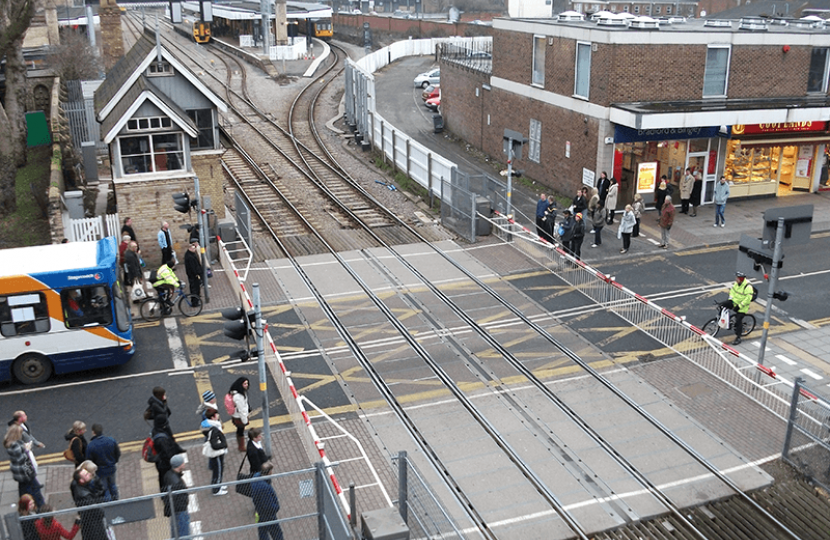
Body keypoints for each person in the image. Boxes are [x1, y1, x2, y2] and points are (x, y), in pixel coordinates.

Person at [5, 425, 45, 507]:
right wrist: (27, 450)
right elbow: (23, 460)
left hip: (20, 475)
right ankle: (42, 510)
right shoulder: (17, 447)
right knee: (36, 492)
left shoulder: (12, 445)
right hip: (26, 474)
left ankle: (24, 507)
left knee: (23, 491)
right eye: (20, 433)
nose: (21, 435)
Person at [85, 424, 121, 501]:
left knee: (105, 488)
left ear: (93, 432)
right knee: (113, 485)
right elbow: (117, 453)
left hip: (100, 470)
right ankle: (116, 500)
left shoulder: (91, 445)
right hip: (111, 467)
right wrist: (114, 461)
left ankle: (109, 503)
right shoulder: (111, 440)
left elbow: (89, 460)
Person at [70, 466, 106, 540]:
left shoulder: (75, 485)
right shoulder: (85, 496)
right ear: (81, 481)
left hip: (87, 523)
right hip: (94, 526)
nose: (89, 474)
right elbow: (98, 511)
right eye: (86, 475)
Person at [251, 462, 285, 540]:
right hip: (268, 514)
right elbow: (268, 505)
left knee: (262, 530)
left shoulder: (255, 478)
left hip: (260, 511)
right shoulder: (264, 487)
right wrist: (276, 507)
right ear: (269, 472)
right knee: (277, 533)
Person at [718, 272, 754, 345]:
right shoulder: (736, 284)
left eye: (737, 278)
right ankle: (725, 320)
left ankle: (738, 337)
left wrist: (739, 306)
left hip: (742, 306)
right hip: (734, 302)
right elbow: (732, 292)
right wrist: (730, 300)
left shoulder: (748, 287)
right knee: (722, 305)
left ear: (740, 279)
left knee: (738, 321)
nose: (736, 279)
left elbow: (748, 299)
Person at [202, 409, 228, 496]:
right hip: (216, 452)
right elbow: (214, 445)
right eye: (216, 414)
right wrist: (223, 445)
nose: (218, 415)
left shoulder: (209, 425)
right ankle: (216, 490)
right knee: (218, 470)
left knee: (218, 470)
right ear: (213, 417)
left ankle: (218, 484)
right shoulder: (214, 428)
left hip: (217, 451)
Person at [163, 455, 190, 538]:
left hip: (174, 511)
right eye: (183, 462)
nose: (184, 464)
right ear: (179, 465)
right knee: (184, 534)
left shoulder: (168, 474)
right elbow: (179, 498)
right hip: (180, 511)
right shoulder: (177, 482)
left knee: (175, 532)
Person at [230, 377, 251, 452]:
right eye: (245, 383)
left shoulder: (239, 392)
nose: (247, 385)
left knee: (240, 430)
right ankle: (241, 446)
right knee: (240, 431)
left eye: (247, 383)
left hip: (238, 416)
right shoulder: (238, 397)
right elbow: (241, 410)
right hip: (239, 417)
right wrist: (245, 420)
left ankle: (241, 445)